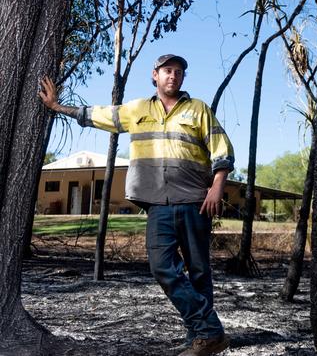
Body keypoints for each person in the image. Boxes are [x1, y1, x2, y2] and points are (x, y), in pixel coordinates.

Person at [39, 54, 233, 356]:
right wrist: (57, 107)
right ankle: (210, 330)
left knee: (199, 272)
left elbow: (222, 151)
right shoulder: (137, 110)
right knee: (162, 267)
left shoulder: (198, 110)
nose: (173, 76)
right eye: (168, 71)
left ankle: (200, 338)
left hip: (195, 202)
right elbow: (100, 114)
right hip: (157, 205)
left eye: (179, 72)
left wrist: (217, 187)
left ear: (183, 78)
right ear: (155, 75)